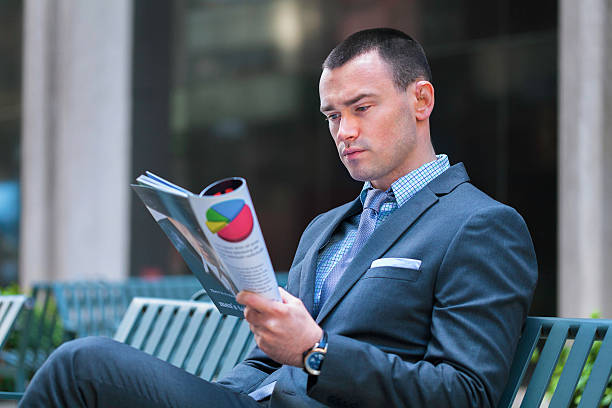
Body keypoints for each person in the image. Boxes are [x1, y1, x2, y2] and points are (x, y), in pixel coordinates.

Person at [19, 28, 537, 408]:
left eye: (361, 108)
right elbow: (268, 361)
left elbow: (466, 395)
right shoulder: (327, 226)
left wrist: (316, 352)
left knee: (82, 364)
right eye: (333, 116)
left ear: (420, 99)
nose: (344, 131)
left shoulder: (480, 225)